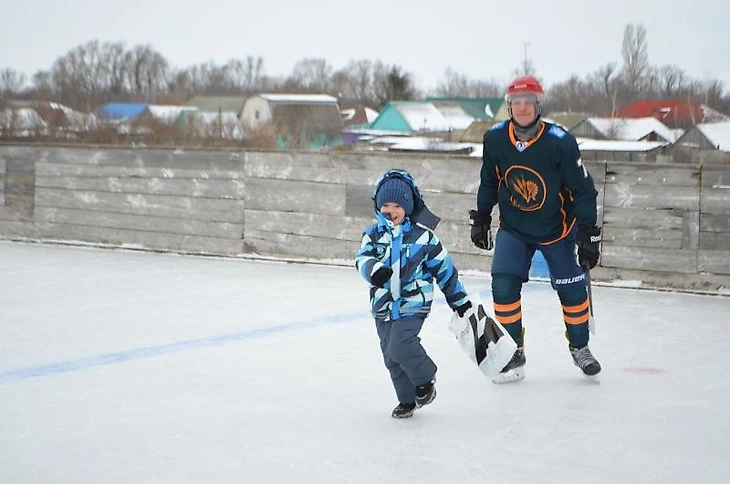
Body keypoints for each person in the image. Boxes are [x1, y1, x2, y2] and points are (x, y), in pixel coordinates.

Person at [469, 75, 602, 383]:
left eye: (529, 103)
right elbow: (490, 179)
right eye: (517, 103)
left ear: (538, 105)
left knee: (571, 290)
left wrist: (588, 233)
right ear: (509, 106)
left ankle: (580, 348)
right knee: (502, 286)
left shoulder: (559, 141)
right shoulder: (495, 138)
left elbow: (583, 190)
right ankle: (512, 350)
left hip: (557, 229)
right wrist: (482, 216)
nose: (523, 108)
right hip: (514, 227)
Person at [355, 169, 472, 418]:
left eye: (397, 205)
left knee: (400, 345)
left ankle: (425, 378)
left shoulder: (424, 237)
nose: (391, 210)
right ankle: (407, 399)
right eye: (385, 204)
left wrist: (459, 301)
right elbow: (362, 258)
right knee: (390, 356)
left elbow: (445, 269)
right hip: (383, 305)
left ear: (408, 206)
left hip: (412, 303)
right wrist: (374, 271)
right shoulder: (373, 235)